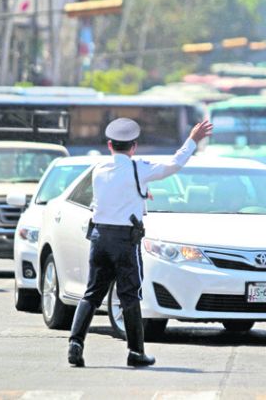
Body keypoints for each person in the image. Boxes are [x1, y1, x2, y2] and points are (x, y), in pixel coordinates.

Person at [67, 118, 213, 368]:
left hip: (100, 238)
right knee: (130, 296)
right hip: (124, 241)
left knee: (92, 293)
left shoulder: (99, 170)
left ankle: (75, 344)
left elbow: (113, 195)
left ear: (110, 145)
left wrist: (141, 193)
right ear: (133, 147)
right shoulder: (139, 169)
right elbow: (174, 164)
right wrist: (192, 140)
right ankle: (136, 352)